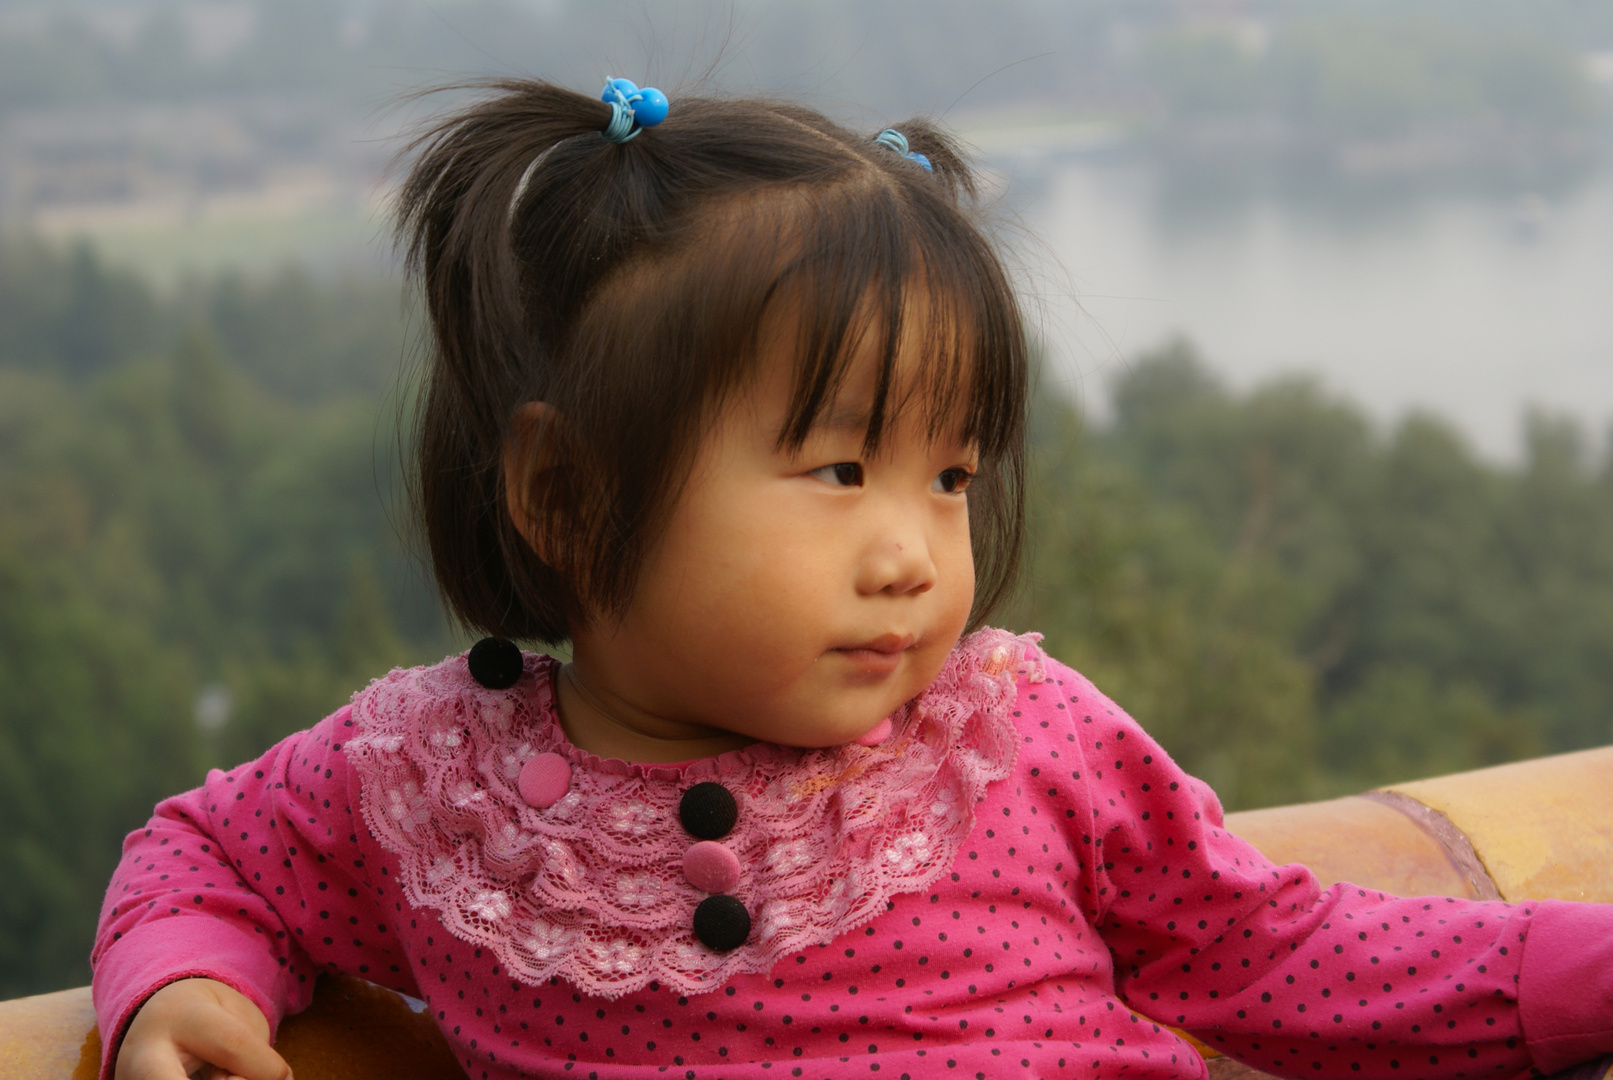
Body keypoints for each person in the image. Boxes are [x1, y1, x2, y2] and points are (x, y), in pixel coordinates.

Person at [93, 78, 1613, 1080]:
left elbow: (1264, 945)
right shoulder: (430, 784)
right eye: (837, 471)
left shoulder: (1013, 734)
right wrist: (185, 988)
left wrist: (1579, 975)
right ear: (563, 493)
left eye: (948, 475)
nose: (912, 552)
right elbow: (207, 855)